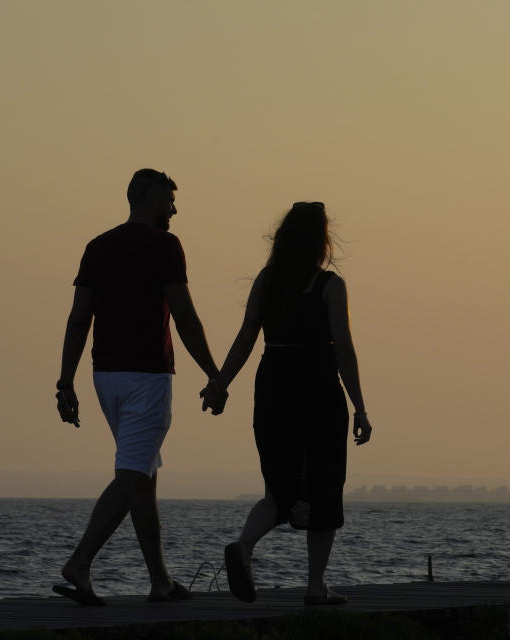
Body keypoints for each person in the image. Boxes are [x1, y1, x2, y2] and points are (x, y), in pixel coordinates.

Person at [53, 168, 222, 605]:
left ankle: (160, 582)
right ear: (148, 200)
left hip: (104, 377)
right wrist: (214, 373)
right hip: (148, 377)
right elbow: (185, 316)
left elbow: (78, 319)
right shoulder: (166, 247)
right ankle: (80, 563)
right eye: (169, 201)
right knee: (131, 477)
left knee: (143, 476)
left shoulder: (97, 247)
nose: (174, 210)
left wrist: (65, 381)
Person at [201, 201, 372, 606]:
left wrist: (220, 384)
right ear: (322, 240)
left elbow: (246, 337)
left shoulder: (267, 280)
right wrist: (360, 407)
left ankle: (244, 545)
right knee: (325, 487)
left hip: (274, 384)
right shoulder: (329, 285)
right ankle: (315, 587)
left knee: (279, 487)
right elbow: (343, 348)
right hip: (317, 390)